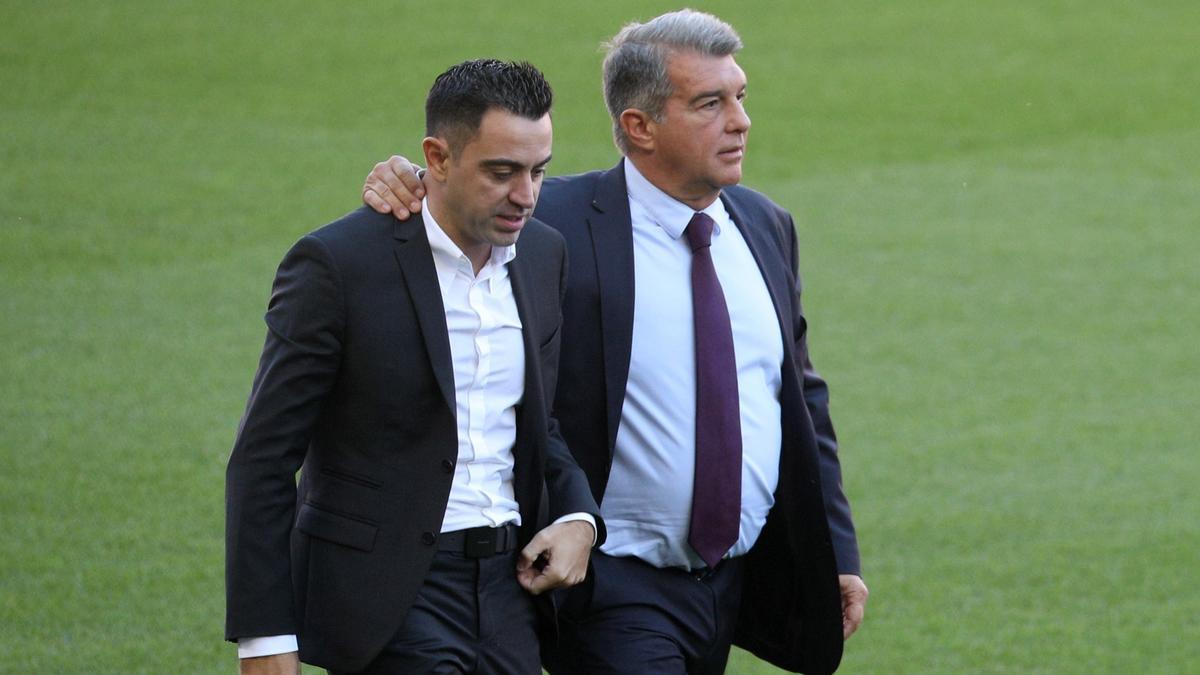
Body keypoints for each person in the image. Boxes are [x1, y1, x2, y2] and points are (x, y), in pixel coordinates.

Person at [362, 10, 868, 674]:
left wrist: (837, 550)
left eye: (740, 97)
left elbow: (800, 395)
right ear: (639, 126)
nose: (740, 120)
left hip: (730, 582)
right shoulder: (557, 223)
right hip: (614, 584)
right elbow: (462, 212)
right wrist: (403, 182)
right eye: (710, 103)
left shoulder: (766, 226)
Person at [225, 59, 603, 675]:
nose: (526, 195)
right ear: (438, 156)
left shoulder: (542, 256)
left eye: (538, 171)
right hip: (392, 600)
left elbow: (539, 425)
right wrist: (265, 640)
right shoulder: (336, 265)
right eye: (502, 172)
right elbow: (263, 458)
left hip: (513, 594)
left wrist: (578, 517)